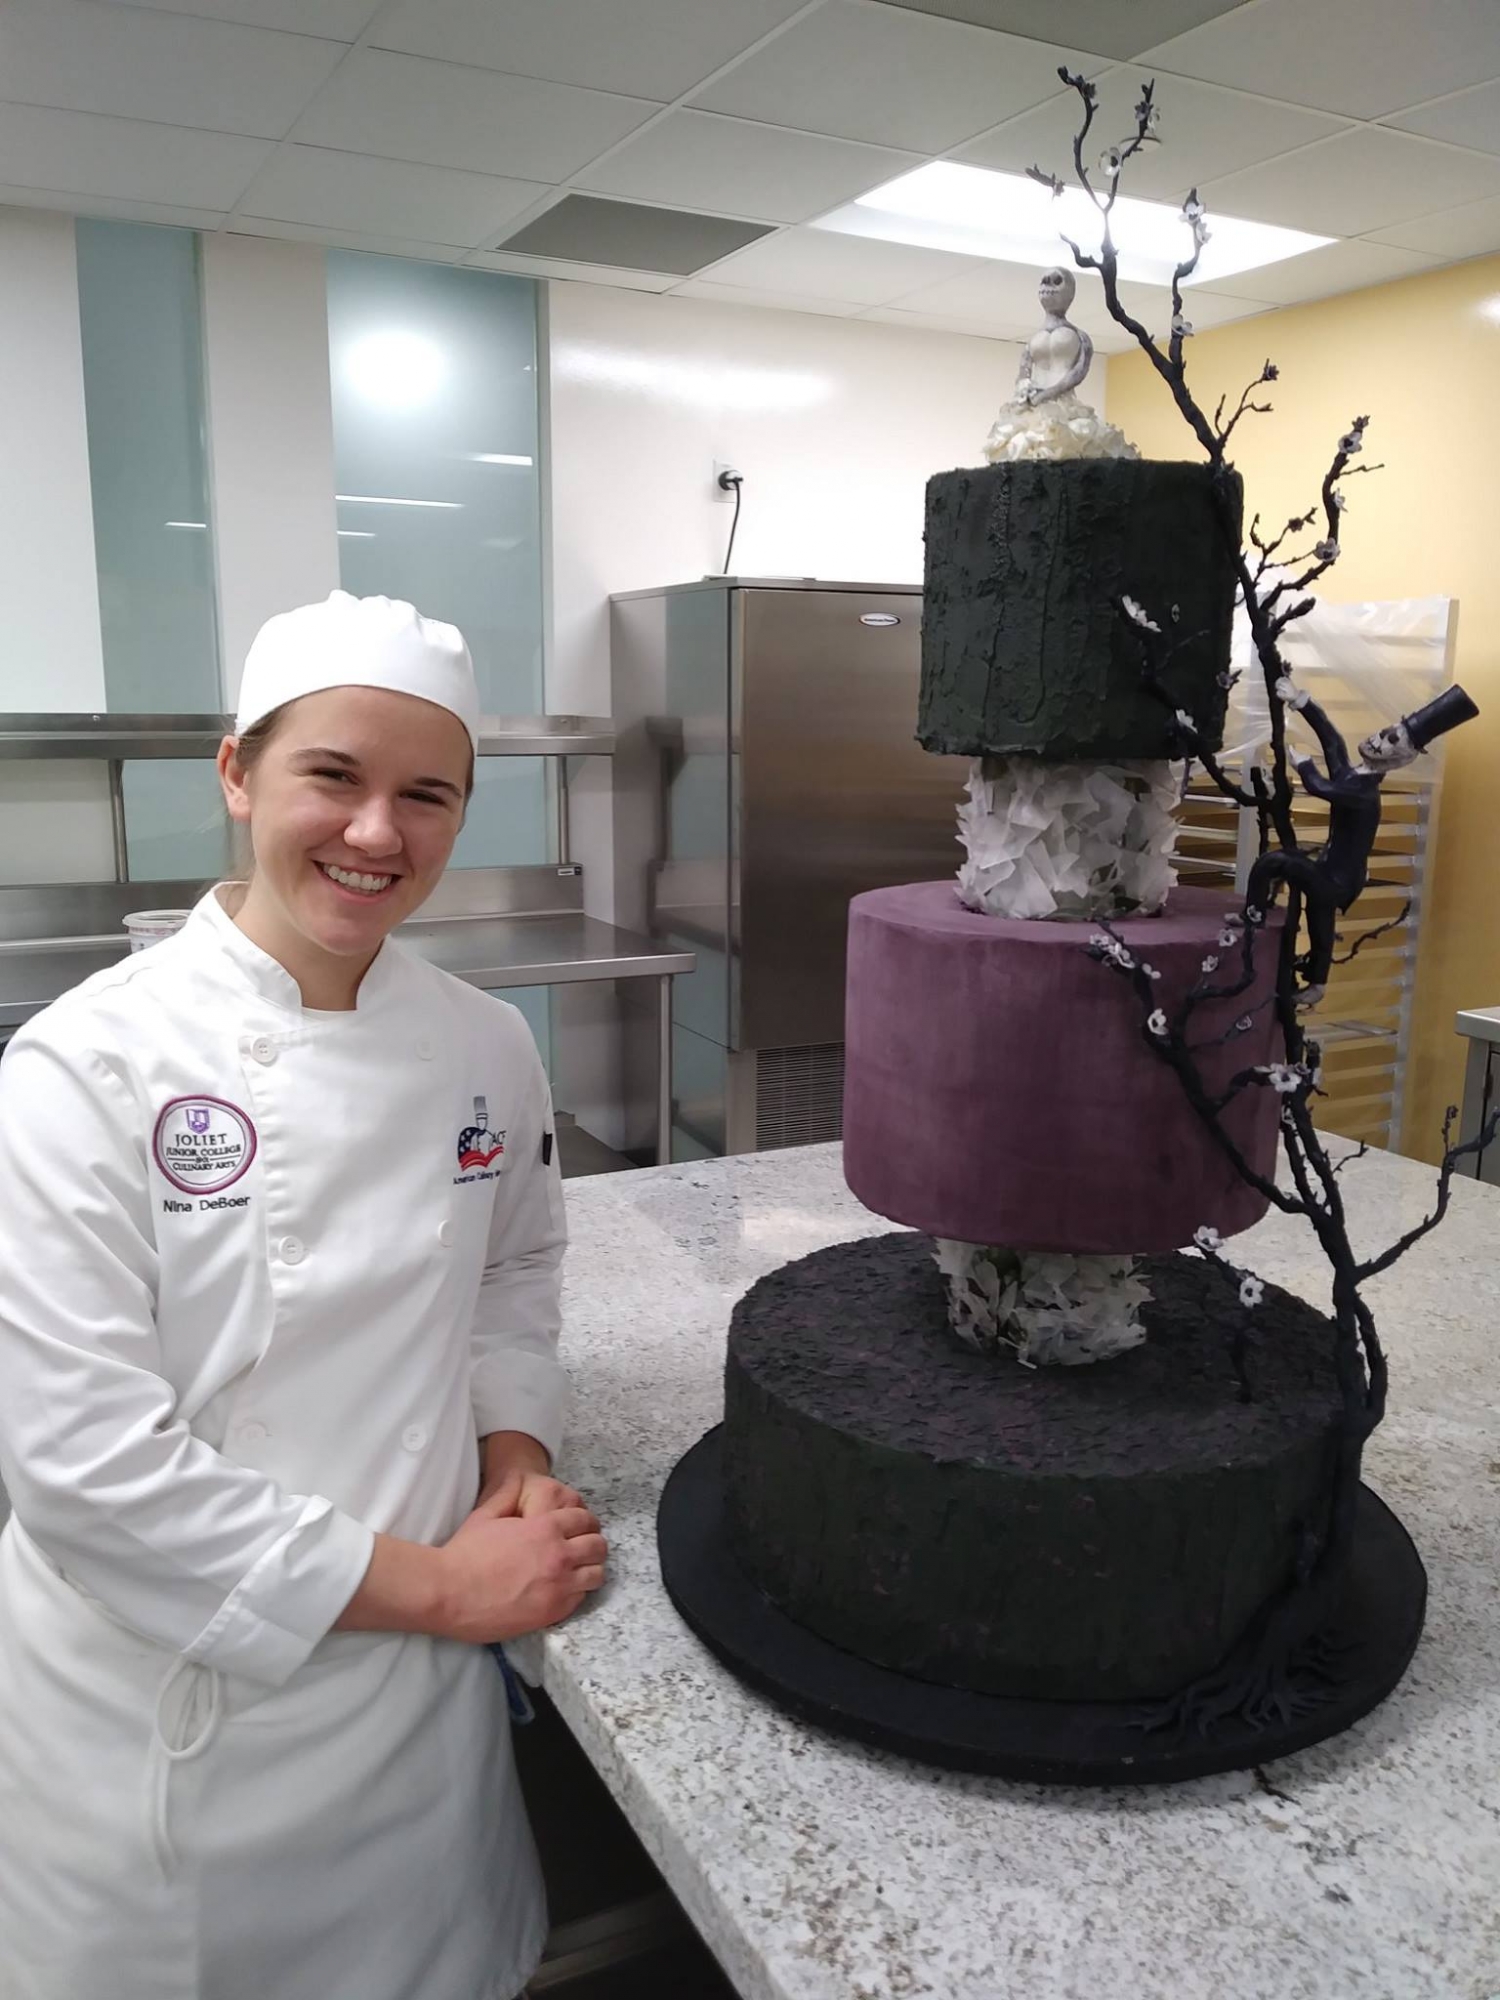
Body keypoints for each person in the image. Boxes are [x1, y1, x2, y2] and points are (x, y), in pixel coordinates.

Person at [0, 592, 607, 2000]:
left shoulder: (483, 1044)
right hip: (172, 1724)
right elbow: (83, 1472)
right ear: (237, 775)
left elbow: (515, 1269)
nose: (377, 833)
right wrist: (449, 1589)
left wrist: (512, 1456)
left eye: (428, 794)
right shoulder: (85, 1070)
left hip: (411, 1725)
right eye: (332, 776)